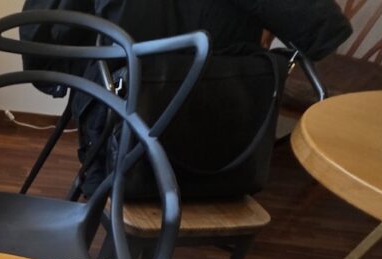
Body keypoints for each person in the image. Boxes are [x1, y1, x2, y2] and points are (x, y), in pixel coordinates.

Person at [21, 0, 352, 195]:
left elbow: (45, 35)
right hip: (225, 152)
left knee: (100, 70)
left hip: (117, 150)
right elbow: (323, 33)